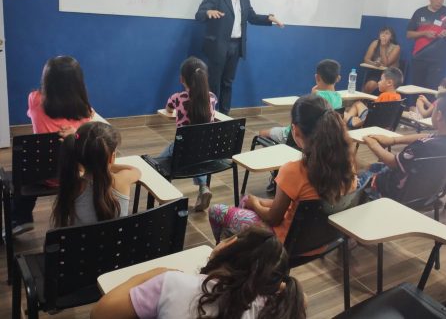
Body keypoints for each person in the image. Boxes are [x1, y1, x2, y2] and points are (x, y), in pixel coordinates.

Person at [209, 95, 357, 245]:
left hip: (284, 247)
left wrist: (255, 204)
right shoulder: (348, 166)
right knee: (247, 201)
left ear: (295, 130)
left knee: (217, 211)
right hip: (322, 241)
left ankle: (233, 251)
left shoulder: (293, 171)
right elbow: (301, 203)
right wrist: (259, 202)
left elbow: (272, 218)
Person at [91, 227, 306, 319]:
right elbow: (301, 298)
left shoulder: (172, 284)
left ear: (229, 246)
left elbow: (100, 313)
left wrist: (155, 273)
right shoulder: (268, 307)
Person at [10, 55, 94, 236]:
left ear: (47, 80)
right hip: (73, 175)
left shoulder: (35, 100)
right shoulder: (87, 112)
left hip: (41, 175)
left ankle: (21, 217)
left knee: (25, 170)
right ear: (78, 83)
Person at [195, 0, 284, 115]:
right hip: (217, 46)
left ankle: (224, 116)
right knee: (213, 84)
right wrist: (208, 12)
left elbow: (252, 17)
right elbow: (199, 14)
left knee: (228, 83)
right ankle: (209, 116)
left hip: (236, 46)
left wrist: (269, 18)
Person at [360, 88, 446, 200]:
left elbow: (393, 162)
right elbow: (428, 136)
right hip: (428, 194)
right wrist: (394, 140)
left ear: (439, 115)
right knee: (372, 166)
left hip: (396, 193)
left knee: (363, 175)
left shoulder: (423, 146)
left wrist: (373, 144)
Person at [155, 57, 217, 212]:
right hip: (205, 149)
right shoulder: (212, 98)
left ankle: (166, 196)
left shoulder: (178, 98)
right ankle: (203, 187)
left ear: (182, 79)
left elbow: (168, 109)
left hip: (182, 148)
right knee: (195, 155)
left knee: (156, 164)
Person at [52, 121, 141, 227]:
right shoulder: (121, 181)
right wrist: (103, 163)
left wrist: (97, 162)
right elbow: (135, 171)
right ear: (112, 158)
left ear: (78, 156)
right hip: (116, 238)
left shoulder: (73, 185)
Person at [259, 59, 343, 144]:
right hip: (320, 139)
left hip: (296, 137)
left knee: (262, 133)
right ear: (338, 78)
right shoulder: (338, 98)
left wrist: (312, 95)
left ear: (317, 77)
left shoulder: (315, 98)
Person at [407, 0, 446, 90]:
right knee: (416, 88)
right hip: (419, 56)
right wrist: (424, 33)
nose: (439, 1)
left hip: (438, 59)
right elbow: (409, 34)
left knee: (433, 89)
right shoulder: (419, 12)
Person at [362, 27, 401, 93]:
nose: (383, 35)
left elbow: (385, 64)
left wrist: (383, 47)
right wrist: (374, 64)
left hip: (388, 74)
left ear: (391, 37)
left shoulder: (396, 48)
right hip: (376, 71)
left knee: (373, 85)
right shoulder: (375, 43)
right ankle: (363, 98)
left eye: (387, 33)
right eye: (382, 33)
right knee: (370, 85)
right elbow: (366, 59)